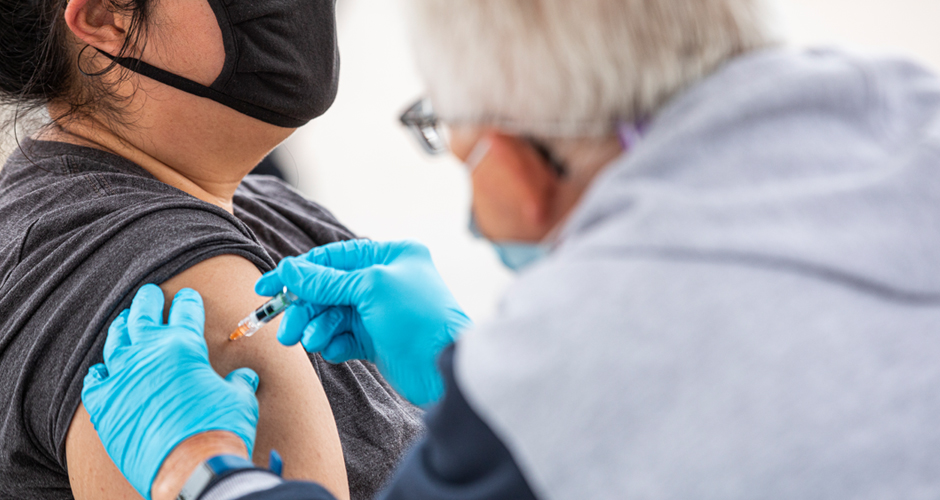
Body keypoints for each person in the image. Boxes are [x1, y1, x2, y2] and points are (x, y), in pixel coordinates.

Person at [84, 0, 940, 499]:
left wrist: (207, 473)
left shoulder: (551, 380)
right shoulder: (912, 117)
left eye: (445, 131)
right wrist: (465, 361)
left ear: (520, 162)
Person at [0, 1, 424, 499]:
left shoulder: (256, 203)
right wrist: (200, 470)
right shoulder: (167, 287)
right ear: (104, 16)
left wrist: (461, 368)